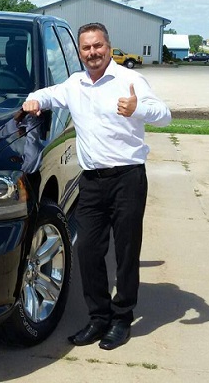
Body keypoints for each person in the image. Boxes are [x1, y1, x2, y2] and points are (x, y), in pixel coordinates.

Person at [22, 22, 171, 350]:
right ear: (80, 52)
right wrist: (33, 100)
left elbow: (165, 114)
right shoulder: (75, 84)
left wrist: (138, 109)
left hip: (127, 178)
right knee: (88, 250)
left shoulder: (129, 80)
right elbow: (49, 96)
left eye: (98, 46)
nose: (93, 53)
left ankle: (122, 318)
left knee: (127, 252)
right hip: (92, 181)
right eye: (87, 48)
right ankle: (98, 316)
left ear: (108, 46)